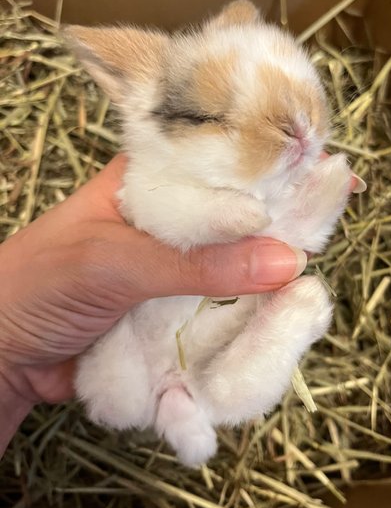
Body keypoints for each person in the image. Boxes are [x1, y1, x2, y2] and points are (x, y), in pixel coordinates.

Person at [0, 155, 307, 456]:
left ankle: (289, 322)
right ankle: (291, 320)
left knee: (211, 388)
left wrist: (10, 359)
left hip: (170, 357)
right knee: (221, 388)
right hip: (168, 349)